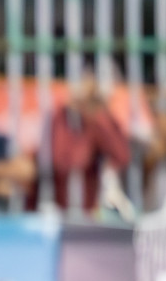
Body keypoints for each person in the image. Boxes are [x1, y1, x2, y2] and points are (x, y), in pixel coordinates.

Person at [43, 69, 130, 215]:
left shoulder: (96, 121)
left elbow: (122, 156)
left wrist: (98, 114)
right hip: (57, 209)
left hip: (86, 212)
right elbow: (65, 163)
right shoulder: (61, 116)